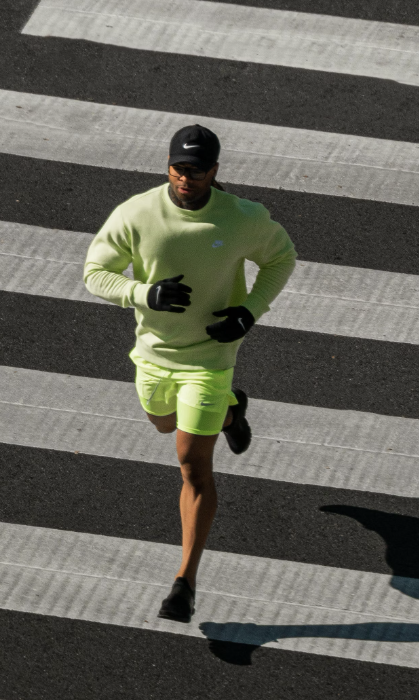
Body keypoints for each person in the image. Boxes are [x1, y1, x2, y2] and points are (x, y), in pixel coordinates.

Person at [83, 123, 297, 623]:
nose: (187, 178)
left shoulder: (242, 218)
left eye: (198, 171)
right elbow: (94, 272)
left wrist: (249, 312)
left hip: (209, 359)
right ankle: (230, 414)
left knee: (191, 464)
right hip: (154, 354)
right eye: (180, 168)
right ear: (168, 166)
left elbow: (281, 258)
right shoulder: (136, 213)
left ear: (214, 172)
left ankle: (185, 583)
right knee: (162, 423)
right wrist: (143, 293)